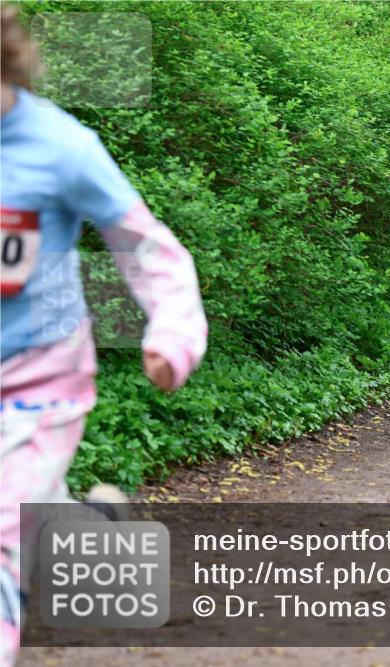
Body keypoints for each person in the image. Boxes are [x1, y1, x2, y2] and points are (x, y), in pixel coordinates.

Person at [0, 7, 207, 663]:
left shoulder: (63, 149)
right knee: (29, 510)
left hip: (37, 378)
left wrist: (173, 334)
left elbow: (148, 247)